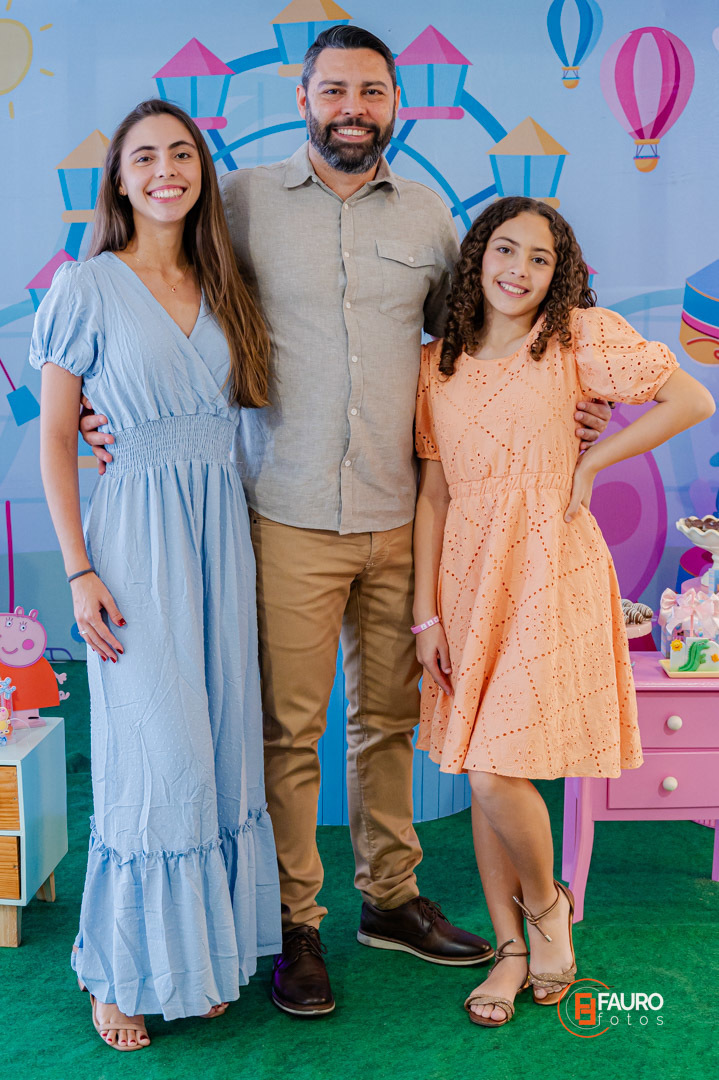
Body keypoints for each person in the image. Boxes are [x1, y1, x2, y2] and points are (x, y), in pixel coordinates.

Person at [80, 26, 611, 1018]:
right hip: (280, 512)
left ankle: (390, 898)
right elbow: (148, 287)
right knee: (290, 733)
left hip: (403, 514)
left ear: (395, 103)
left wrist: (574, 401)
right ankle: (296, 922)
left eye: (370, 91)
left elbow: (487, 338)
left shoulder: (428, 216)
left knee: (389, 720)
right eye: (333, 90)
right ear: (303, 97)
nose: (351, 109)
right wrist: (100, 402)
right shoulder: (238, 201)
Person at [412, 195, 714, 1028]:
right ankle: (511, 950)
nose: (519, 270)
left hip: (550, 566)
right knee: (482, 766)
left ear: (560, 275)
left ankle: (548, 909)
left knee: (491, 767)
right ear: (477, 257)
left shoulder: (577, 337)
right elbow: (432, 496)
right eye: (505, 250)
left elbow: (690, 400)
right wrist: (425, 616)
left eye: (540, 259)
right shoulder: (435, 365)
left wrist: (591, 463)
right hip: (466, 580)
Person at [32, 99, 281, 1050]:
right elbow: (57, 439)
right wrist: (79, 571)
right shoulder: (86, 284)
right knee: (155, 757)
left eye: (181, 154)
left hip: (220, 534)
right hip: (133, 540)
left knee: (219, 749)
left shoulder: (224, 281)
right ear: (120, 180)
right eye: (144, 157)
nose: (165, 170)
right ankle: (118, 974)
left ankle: (200, 958)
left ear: (201, 172)